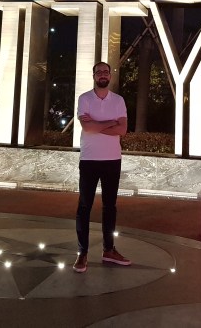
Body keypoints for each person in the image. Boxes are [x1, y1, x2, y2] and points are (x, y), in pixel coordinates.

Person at [73, 61, 132, 273]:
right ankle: (82, 253)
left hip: (112, 160)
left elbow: (122, 130)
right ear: (94, 75)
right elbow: (86, 128)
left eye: (106, 71)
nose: (102, 75)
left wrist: (97, 125)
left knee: (110, 207)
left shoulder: (118, 100)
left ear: (110, 75)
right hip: (89, 159)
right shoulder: (84, 98)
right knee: (84, 206)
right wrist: (111, 123)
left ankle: (109, 250)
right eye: (99, 72)